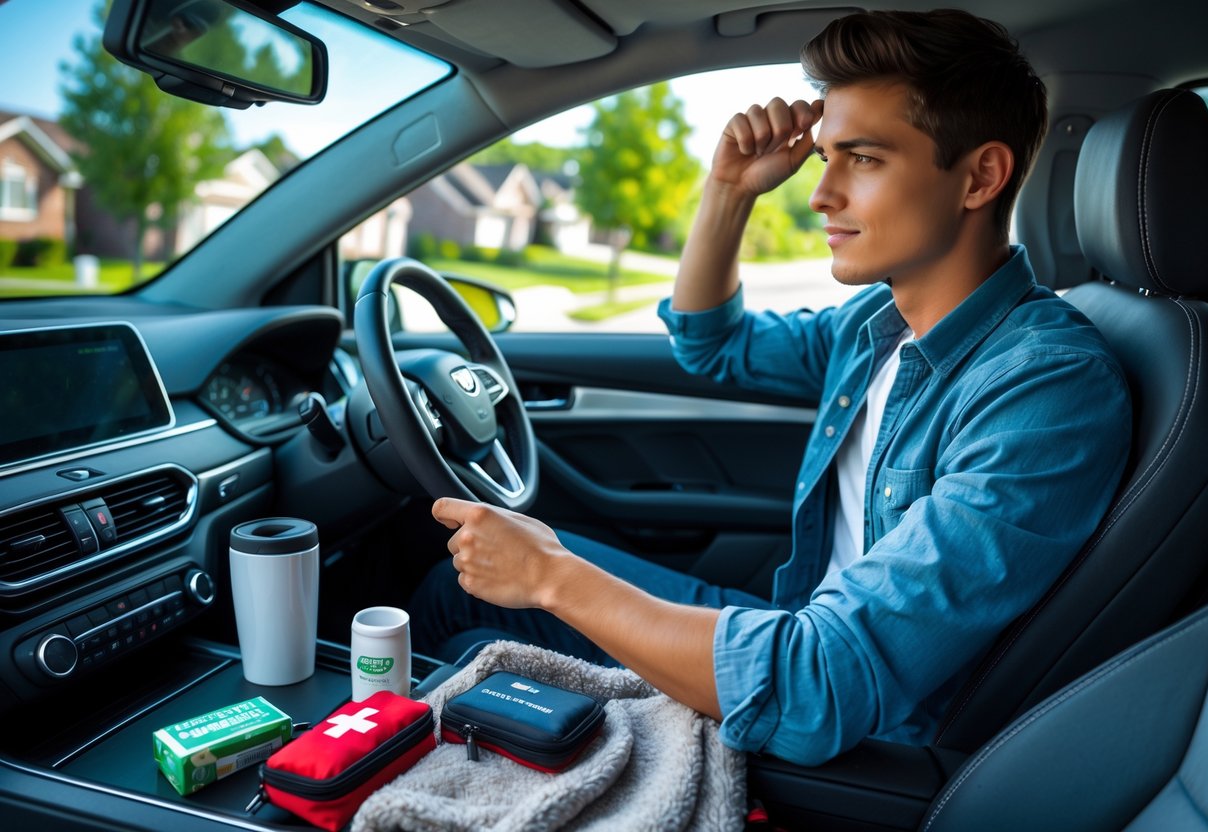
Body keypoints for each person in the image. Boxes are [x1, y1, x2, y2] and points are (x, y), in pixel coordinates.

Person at [411, 8, 1131, 766]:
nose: (820, 195)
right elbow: (711, 344)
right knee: (455, 591)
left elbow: (823, 681)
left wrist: (554, 580)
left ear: (979, 176)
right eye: (824, 158)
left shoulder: (1045, 387)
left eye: (862, 158)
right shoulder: (875, 324)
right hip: (798, 627)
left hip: (862, 730)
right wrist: (728, 190)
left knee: (475, 638)